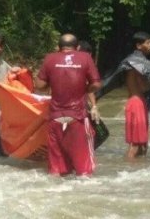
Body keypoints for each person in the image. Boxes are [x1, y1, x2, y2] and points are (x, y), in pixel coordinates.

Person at [35, 34, 101, 176]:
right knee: (84, 171)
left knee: (57, 171)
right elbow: (96, 84)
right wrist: (85, 89)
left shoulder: (50, 58)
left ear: (59, 48)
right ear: (77, 48)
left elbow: (39, 85)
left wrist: (51, 82)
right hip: (77, 118)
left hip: (55, 118)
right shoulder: (85, 58)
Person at [123, 32, 150, 158]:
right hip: (136, 102)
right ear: (139, 45)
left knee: (143, 144)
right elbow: (142, 87)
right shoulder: (135, 64)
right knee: (136, 144)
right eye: (148, 42)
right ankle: (130, 171)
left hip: (138, 101)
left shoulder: (137, 62)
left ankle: (137, 170)